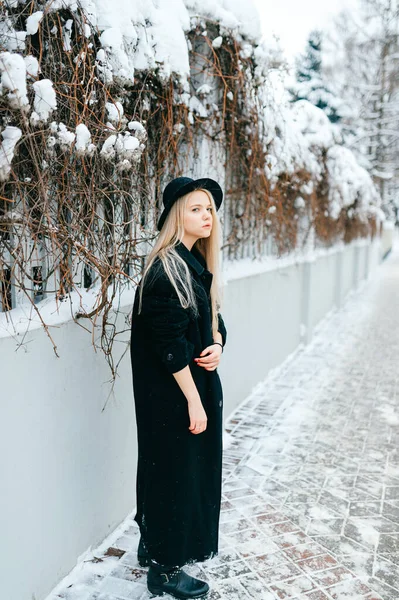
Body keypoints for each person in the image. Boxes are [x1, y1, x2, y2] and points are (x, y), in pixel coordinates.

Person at [130, 176, 227, 599]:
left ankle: (152, 542)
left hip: (186, 392)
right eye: (195, 209)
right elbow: (169, 346)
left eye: (208, 209)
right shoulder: (167, 268)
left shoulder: (192, 263)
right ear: (176, 217)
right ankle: (164, 570)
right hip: (174, 397)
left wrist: (219, 342)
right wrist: (193, 400)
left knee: (169, 471)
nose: (206, 217)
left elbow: (212, 319)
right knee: (173, 474)